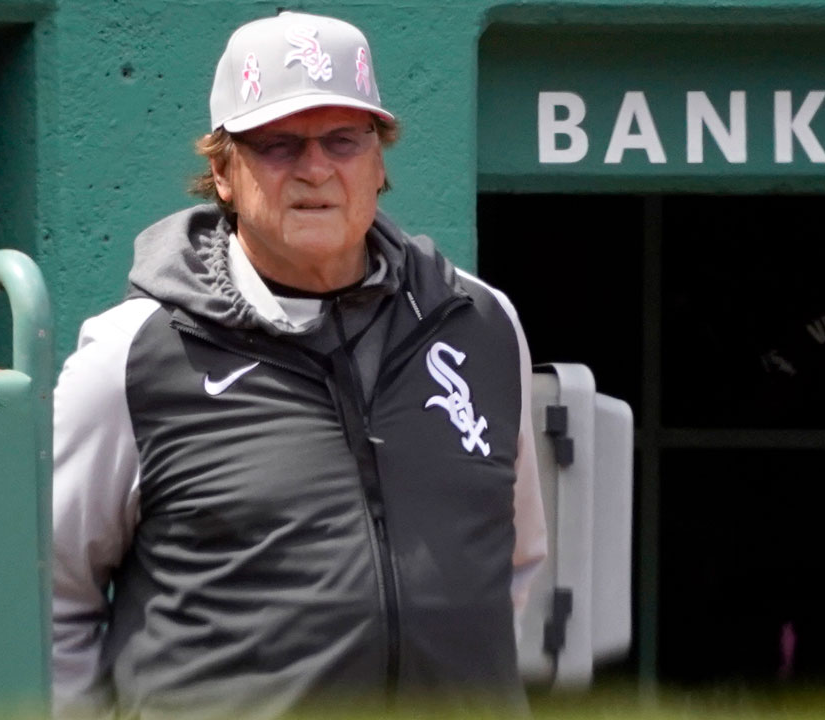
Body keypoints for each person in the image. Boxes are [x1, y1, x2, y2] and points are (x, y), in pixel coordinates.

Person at [51, 11, 546, 719]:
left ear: (379, 163)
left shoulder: (483, 323)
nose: (316, 168)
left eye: (345, 139)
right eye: (277, 144)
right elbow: (50, 602)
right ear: (222, 170)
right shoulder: (135, 356)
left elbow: (511, 560)